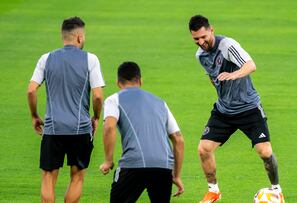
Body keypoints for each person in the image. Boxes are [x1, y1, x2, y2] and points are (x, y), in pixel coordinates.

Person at [188, 15, 284, 203]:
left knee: (265, 152)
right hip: (224, 111)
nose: (201, 42)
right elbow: (212, 77)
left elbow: (251, 65)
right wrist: (223, 93)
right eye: (196, 39)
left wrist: (234, 75)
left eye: (203, 37)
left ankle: (276, 190)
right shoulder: (200, 56)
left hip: (249, 108)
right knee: (203, 149)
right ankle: (213, 191)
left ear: (211, 30)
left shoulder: (227, 46)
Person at [27, 16, 105, 203]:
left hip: (53, 129)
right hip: (80, 129)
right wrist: (95, 117)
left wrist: (35, 115)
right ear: (79, 37)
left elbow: (31, 90)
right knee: (77, 177)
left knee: (47, 178)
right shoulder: (91, 59)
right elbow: (98, 96)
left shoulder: (46, 58)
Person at [99, 61, 184, 203]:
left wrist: (108, 160)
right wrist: (176, 175)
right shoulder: (160, 102)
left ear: (118, 83)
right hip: (163, 166)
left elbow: (109, 126)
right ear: (140, 81)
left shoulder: (114, 99)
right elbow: (178, 139)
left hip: (134, 163)